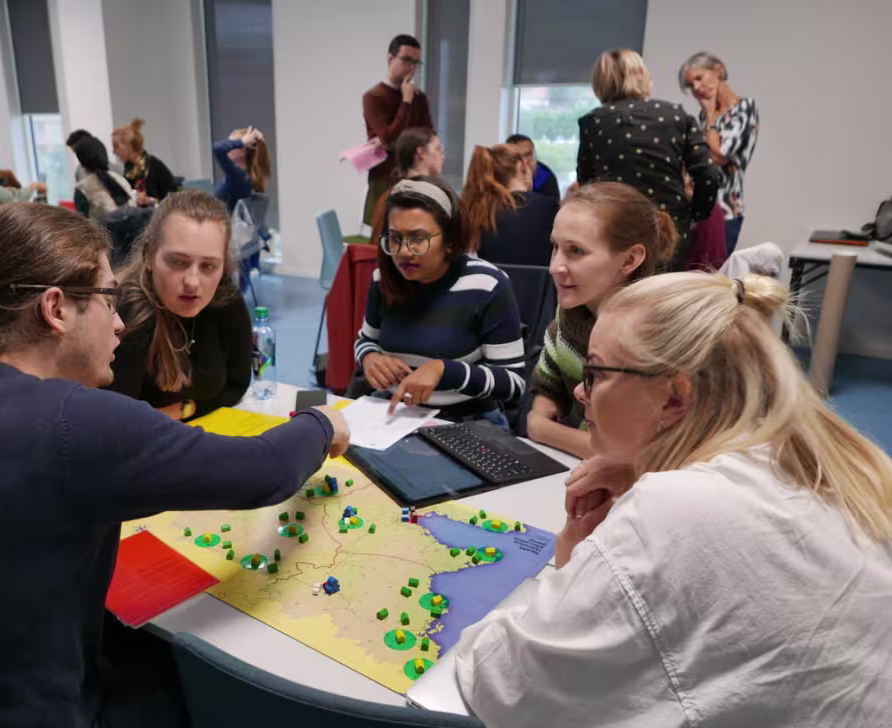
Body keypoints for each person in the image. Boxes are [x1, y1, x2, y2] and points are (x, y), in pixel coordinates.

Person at [0, 202, 350, 727]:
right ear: (56, 308)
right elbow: (262, 470)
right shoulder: (70, 423)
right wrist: (323, 424)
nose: (119, 324)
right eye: (110, 300)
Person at [456, 271, 892, 726]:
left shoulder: (673, 510)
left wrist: (571, 553)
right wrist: (647, 461)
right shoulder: (822, 460)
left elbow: (504, 683)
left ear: (674, 399)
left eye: (595, 372)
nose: (581, 392)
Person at [353, 176, 525, 426]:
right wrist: (370, 358)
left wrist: (444, 371)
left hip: (468, 420)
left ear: (450, 241)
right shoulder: (384, 280)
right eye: (394, 238)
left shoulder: (487, 284)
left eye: (417, 239)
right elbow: (366, 340)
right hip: (396, 414)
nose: (402, 251)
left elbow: (513, 383)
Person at [526, 182, 677, 459]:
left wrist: (543, 429)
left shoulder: (656, 337)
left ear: (629, 260)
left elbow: (637, 454)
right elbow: (548, 386)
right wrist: (541, 421)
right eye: (555, 247)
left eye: (576, 251)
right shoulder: (570, 313)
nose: (554, 267)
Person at [108, 190, 251, 421]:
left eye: (208, 266)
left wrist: (185, 409)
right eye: (177, 262)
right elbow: (115, 425)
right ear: (148, 256)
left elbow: (237, 385)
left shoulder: (224, 297)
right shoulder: (126, 315)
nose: (193, 282)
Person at [577, 49, 721, 269]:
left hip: (614, 227)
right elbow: (709, 174)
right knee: (664, 298)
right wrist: (694, 215)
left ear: (600, 82)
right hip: (669, 230)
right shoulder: (676, 115)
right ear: (642, 76)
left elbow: (586, 185)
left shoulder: (593, 122)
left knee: (620, 297)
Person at [680, 51, 759, 257]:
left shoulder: (745, 108)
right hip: (697, 208)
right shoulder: (705, 115)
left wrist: (710, 119)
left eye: (699, 78)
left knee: (711, 275)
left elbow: (718, 156)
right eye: (690, 85)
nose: (696, 88)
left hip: (725, 209)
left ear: (719, 71)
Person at [361, 34, 433, 226]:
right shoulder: (373, 96)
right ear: (390, 58)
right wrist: (406, 102)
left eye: (417, 63)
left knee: (416, 234)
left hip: (416, 177)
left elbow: (427, 138)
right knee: (383, 238)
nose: (412, 68)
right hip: (385, 178)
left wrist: (389, 141)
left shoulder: (420, 98)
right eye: (407, 60)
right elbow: (390, 138)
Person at [463, 143, 558, 266]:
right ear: (523, 165)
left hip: (490, 284)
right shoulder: (547, 207)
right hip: (538, 284)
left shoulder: (476, 210)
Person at [367, 126, 444, 246]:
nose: (443, 156)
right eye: (438, 149)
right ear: (421, 152)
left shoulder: (388, 196)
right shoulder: (427, 200)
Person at [112, 118, 179, 206]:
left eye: (116, 147)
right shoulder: (129, 169)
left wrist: (151, 200)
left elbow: (173, 198)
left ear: (128, 147)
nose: (114, 152)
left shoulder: (154, 165)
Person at [72, 136, 134, 220]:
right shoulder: (121, 180)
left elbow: (82, 221)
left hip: (100, 232)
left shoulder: (82, 188)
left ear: (82, 161)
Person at [212, 126, 271, 213]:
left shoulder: (240, 177)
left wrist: (242, 142)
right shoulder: (243, 176)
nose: (228, 147)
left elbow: (217, 148)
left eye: (231, 144)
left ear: (243, 152)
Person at [505, 133, 559, 198]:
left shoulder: (546, 178)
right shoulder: (501, 175)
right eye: (519, 156)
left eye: (528, 154)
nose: (525, 161)